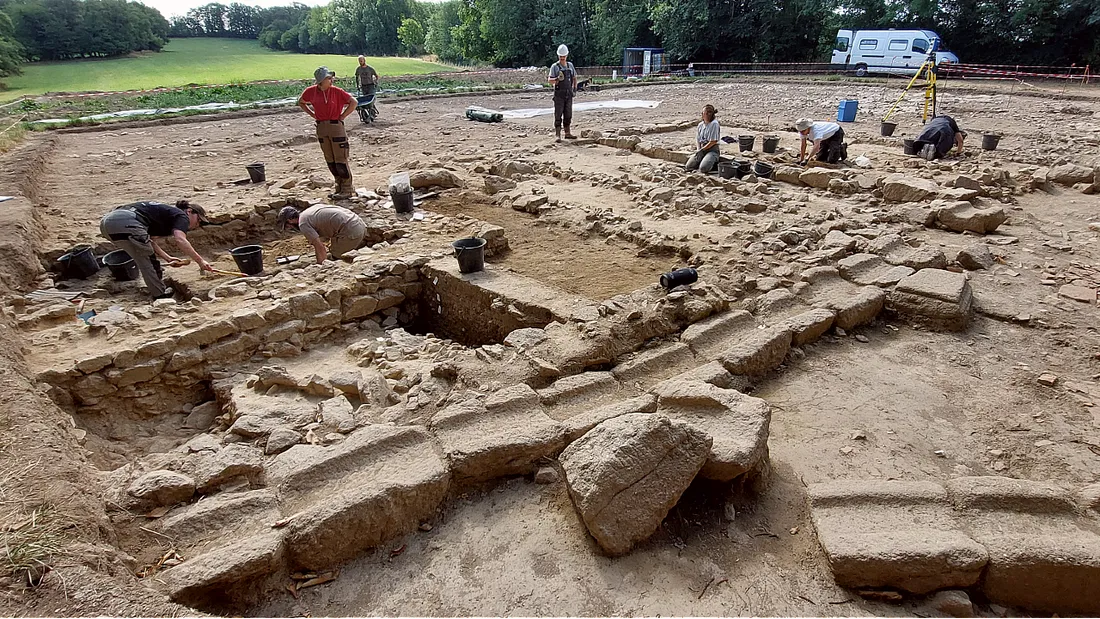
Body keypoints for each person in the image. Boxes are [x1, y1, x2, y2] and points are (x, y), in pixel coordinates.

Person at [99, 200, 213, 299]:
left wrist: (167, 258)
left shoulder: (165, 216)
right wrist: (200, 261)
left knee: (144, 257)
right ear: (189, 211)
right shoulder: (181, 216)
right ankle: (160, 295)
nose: (198, 224)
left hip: (107, 224)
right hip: (126, 222)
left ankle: (158, 291)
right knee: (149, 261)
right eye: (198, 220)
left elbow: (149, 241)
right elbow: (180, 240)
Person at [298, 67, 358, 198]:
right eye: (328, 78)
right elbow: (301, 102)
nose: (331, 80)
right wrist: (313, 114)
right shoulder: (310, 92)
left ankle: (347, 189)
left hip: (336, 126)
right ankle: (338, 186)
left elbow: (353, 102)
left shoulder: (337, 91)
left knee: (340, 159)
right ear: (321, 81)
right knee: (330, 159)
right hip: (321, 126)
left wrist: (342, 116)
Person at [276, 204, 367, 264]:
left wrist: (321, 267)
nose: (290, 227)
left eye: (288, 225)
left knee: (336, 258)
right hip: (360, 224)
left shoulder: (303, 223)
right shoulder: (310, 211)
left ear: (290, 220)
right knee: (334, 249)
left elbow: (320, 247)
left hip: (352, 231)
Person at [547, 44, 577, 142]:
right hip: (559, 94)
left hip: (569, 93)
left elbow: (574, 77)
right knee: (558, 114)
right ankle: (558, 134)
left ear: (567, 55)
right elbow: (549, 80)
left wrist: (575, 89)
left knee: (568, 114)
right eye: (561, 57)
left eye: (564, 56)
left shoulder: (570, 65)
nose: (562, 58)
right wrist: (556, 79)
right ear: (558, 56)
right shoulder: (554, 67)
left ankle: (567, 133)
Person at [685, 104, 721, 174]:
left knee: (703, 168)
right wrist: (699, 150)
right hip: (702, 148)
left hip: (712, 150)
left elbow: (713, 141)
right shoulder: (700, 125)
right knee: (689, 166)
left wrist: (702, 150)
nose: (707, 115)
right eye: (705, 113)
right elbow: (698, 139)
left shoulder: (714, 124)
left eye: (709, 113)